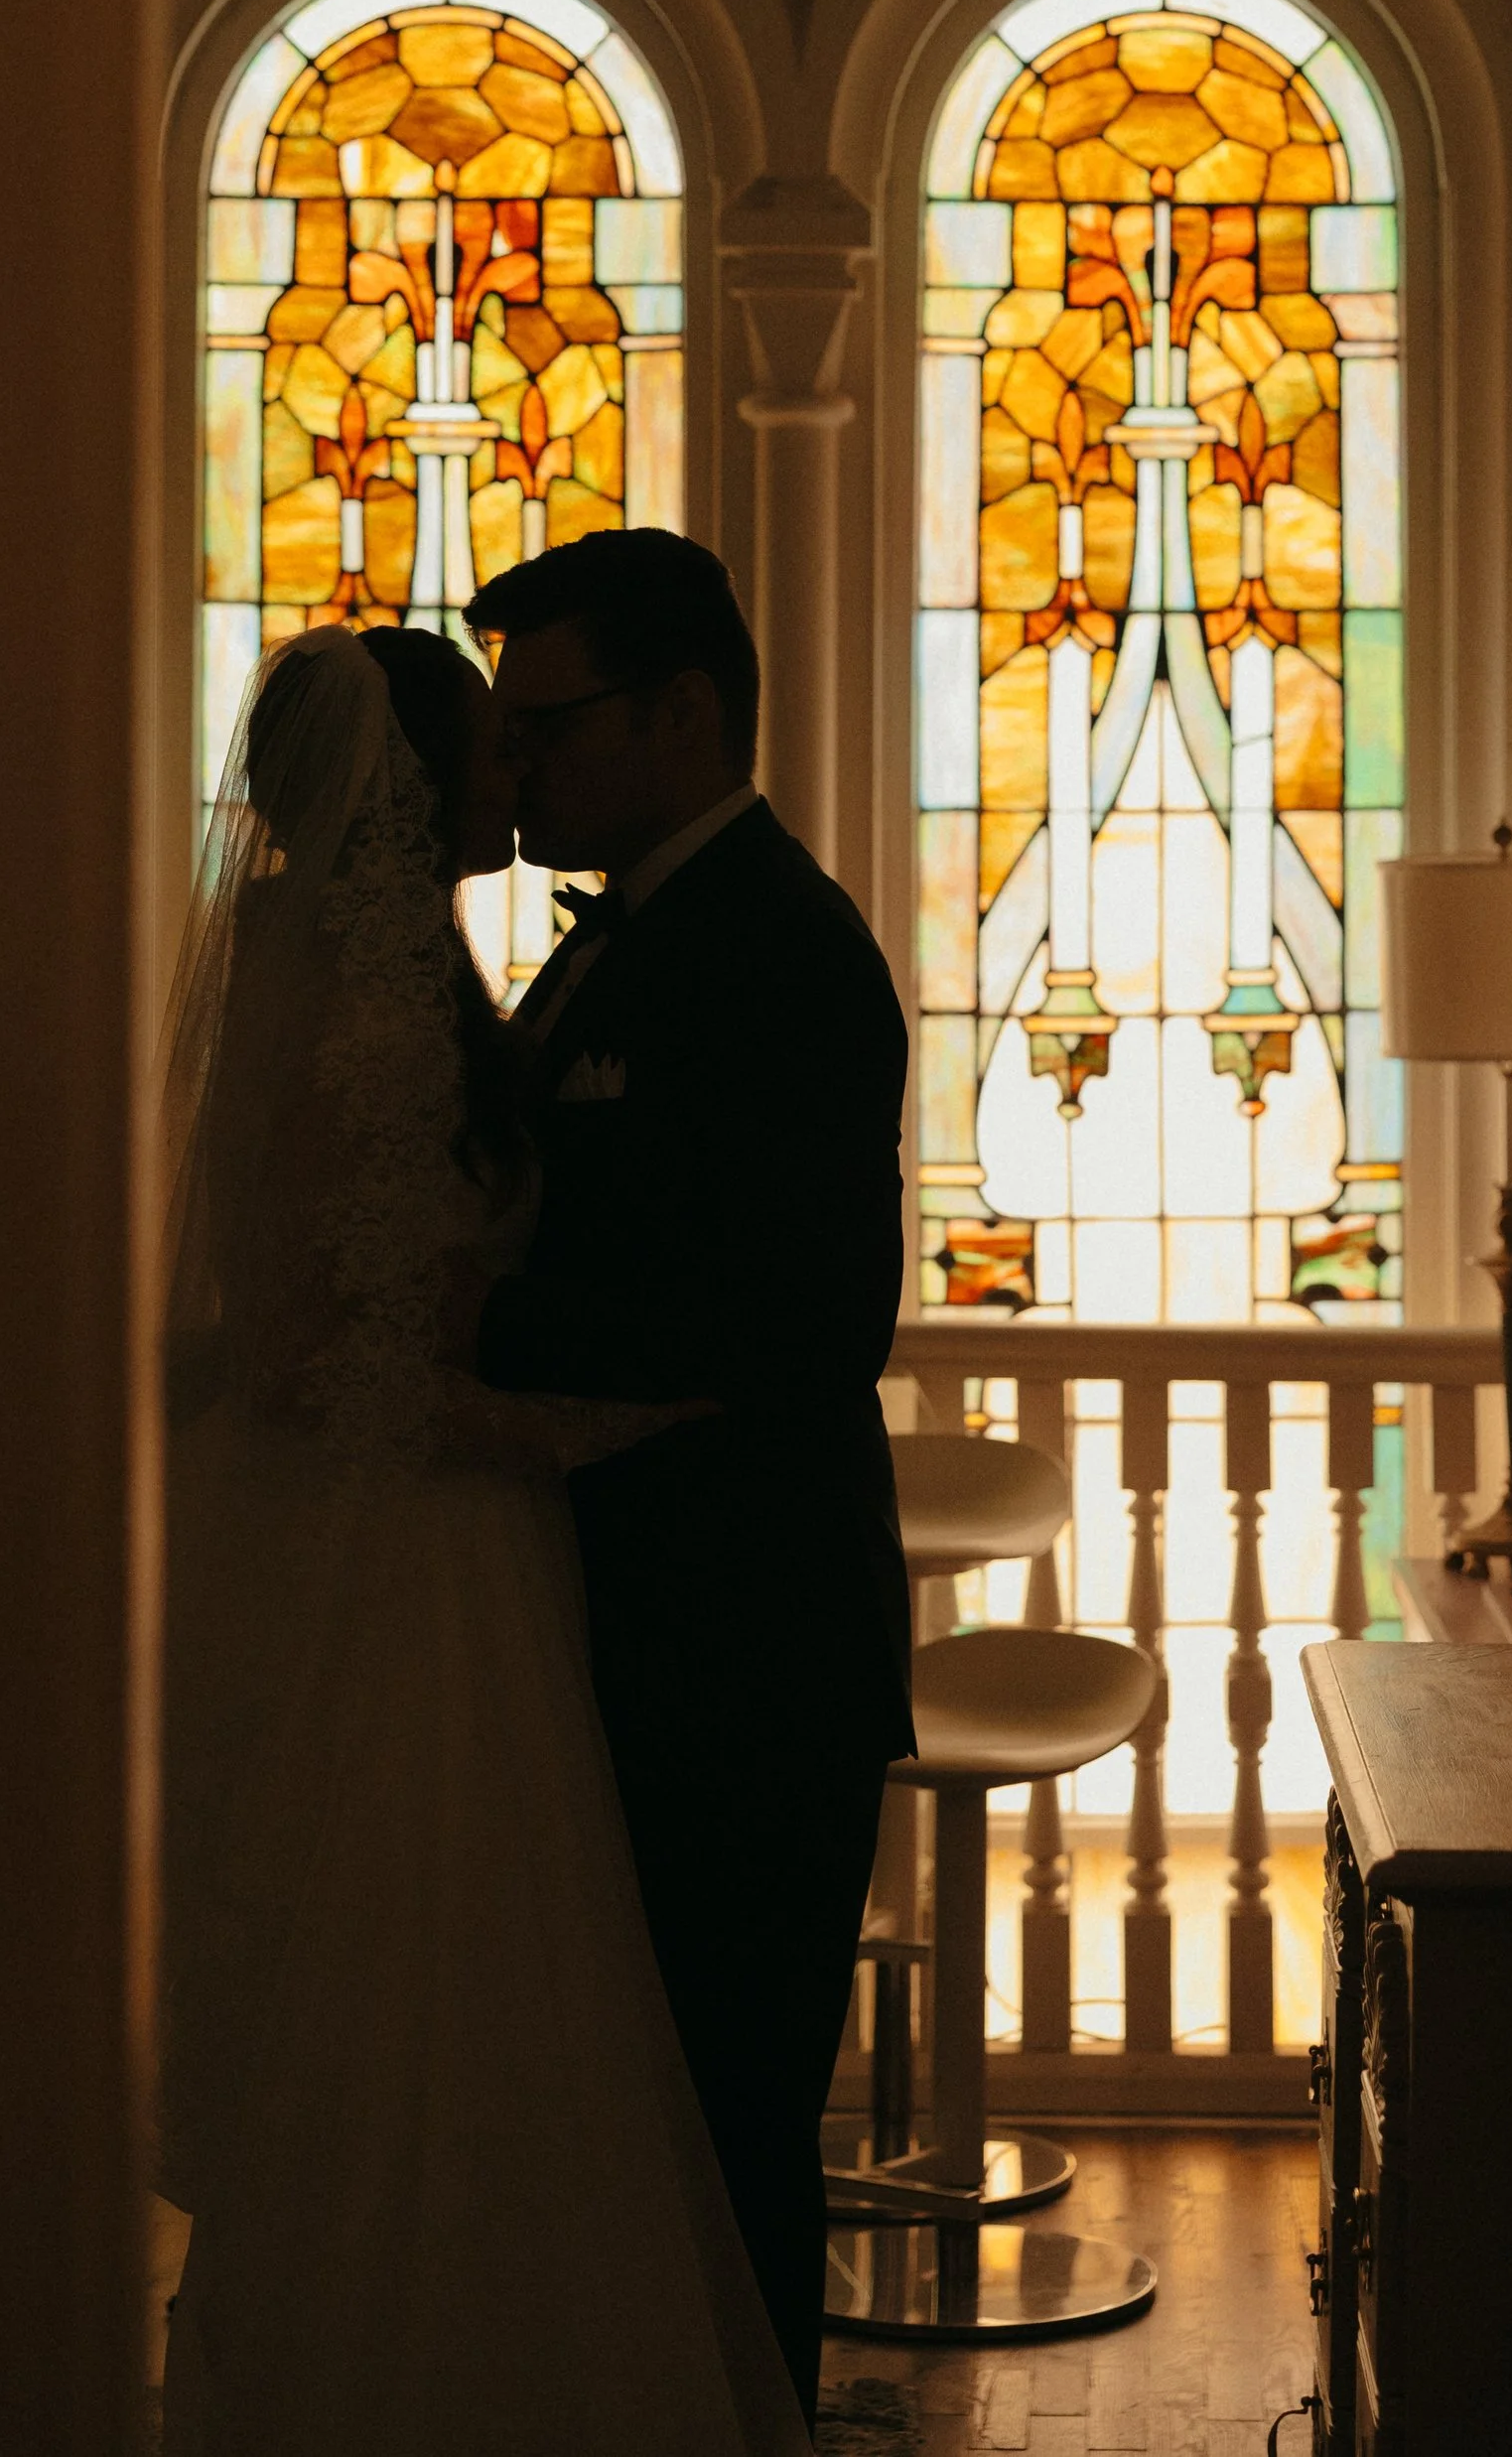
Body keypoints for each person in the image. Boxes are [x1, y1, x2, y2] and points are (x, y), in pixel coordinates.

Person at [157, 620, 805, 2457]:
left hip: (454, 1545)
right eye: (496, 749)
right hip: (394, 1557)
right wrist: (557, 1425)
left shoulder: (396, 961)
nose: (524, 773)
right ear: (420, 787)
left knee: (483, 2004)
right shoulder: (345, 985)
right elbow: (306, 1346)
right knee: (397, 1978)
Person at [459, 531, 913, 2431]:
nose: (515, 770)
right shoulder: (616, 938)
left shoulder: (788, 951)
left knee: (725, 2143)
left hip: (741, 1656)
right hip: (612, 1643)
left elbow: (806, 1317)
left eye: (548, 724)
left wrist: (465, 1359)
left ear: (685, 712)